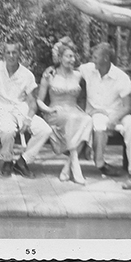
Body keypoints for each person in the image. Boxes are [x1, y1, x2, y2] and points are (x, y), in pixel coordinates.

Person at [0, 41, 53, 179]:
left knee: (45, 129)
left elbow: (33, 103)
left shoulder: (27, 75)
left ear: (19, 54)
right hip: (2, 109)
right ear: (3, 54)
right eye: (7, 52)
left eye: (14, 52)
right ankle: (7, 161)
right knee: (7, 130)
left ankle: (22, 161)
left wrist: (28, 120)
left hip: (22, 109)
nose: (11, 56)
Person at [79, 42, 131, 190]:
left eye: (95, 57)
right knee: (99, 124)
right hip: (97, 113)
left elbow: (127, 107)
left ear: (106, 58)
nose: (92, 59)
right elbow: (69, 69)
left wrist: (114, 118)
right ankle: (101, 164)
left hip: (118, 114)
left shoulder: (121, 77)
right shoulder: (89, 69)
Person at [36, 37, 93, 185]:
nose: (72, 59)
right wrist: (49, 109)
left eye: (74, 56)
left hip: (74, 112)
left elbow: (95, 68)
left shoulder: (79, 75)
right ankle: (77, 170)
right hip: (55, 113)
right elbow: (39, 101)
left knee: (87, 120)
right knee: (74, 120)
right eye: (69, 56)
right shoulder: (49, 76)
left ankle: (68, 167)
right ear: (60, 58)